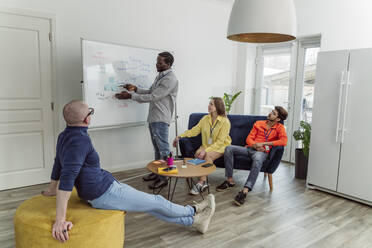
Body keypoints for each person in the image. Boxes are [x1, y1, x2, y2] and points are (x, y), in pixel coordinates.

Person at [41, 100, 216, 243]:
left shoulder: (64, 135)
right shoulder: (80, 140)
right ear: (87, 120)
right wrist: (60, 220)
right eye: (90, 112)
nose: (91, 115)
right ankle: (193, 212)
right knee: (156, 201)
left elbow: (58, 164)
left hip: (104, 185)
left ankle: (193, 221)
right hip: (103, 193)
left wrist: (51, 189)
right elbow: (67, 176)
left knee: (152, 205)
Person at [115, 52, 178, 190]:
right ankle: (157, 173)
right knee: (157, 148)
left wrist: (131, 96)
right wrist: (135, 89)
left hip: (161, 118)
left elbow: (154, 96)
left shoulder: (170, 79)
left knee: (163, 149)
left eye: (160, 62)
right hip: (154, 117)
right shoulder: (160, 76)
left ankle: (164, 177)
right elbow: (150, 91)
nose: (157, 64)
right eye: (157, 61)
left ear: (168, 64)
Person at [216, 106, 288, 206]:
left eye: (274, 113)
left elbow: (284, 141)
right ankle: (229, 180)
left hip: (262, 152)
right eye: (272, 111)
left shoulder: (279, 128)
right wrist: (254, 145)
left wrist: (264, 144)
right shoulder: (259, 123)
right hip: (249, 148)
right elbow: (249, 138)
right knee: (228, 148)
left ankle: (245, 190)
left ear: (278, 119)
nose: (270, 113)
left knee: (258, 158)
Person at [173, 97, 232, 195]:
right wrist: (180, 136)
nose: (209, 106)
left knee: (207, 155)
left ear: (218, 106)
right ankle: (197, 177)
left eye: (211, 104)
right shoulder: (205, 119)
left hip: (220, 146)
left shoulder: (225, 122)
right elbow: (194, 130)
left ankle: (202, 182)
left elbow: (220, 142)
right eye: (209, 103)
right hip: (206, 145)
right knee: (197, 154)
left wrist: (205, 151)